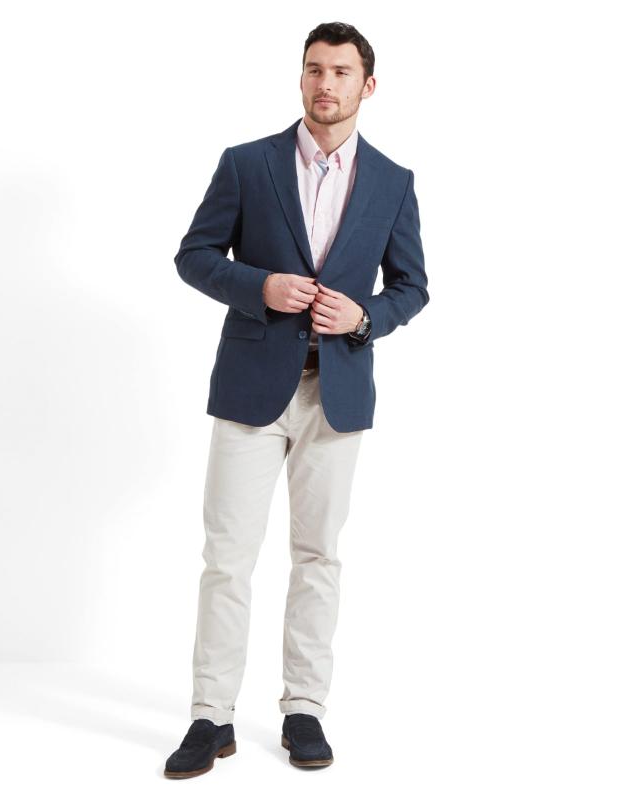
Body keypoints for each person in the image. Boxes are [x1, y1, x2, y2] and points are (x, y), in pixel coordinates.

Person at [164, 21, 429, 778]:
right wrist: (261, 287)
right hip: (251, 389)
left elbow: (412, 287)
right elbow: (194, 256)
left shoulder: (393, 181)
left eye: (341, 72)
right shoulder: (247, 164)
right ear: (302, 77)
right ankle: (210, 715)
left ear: (366, 85)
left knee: (318, 557)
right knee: (227, 558)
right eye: (314, 69)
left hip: (335, 394)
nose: (325, 83)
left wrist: (365, 317)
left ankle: (304, 708)